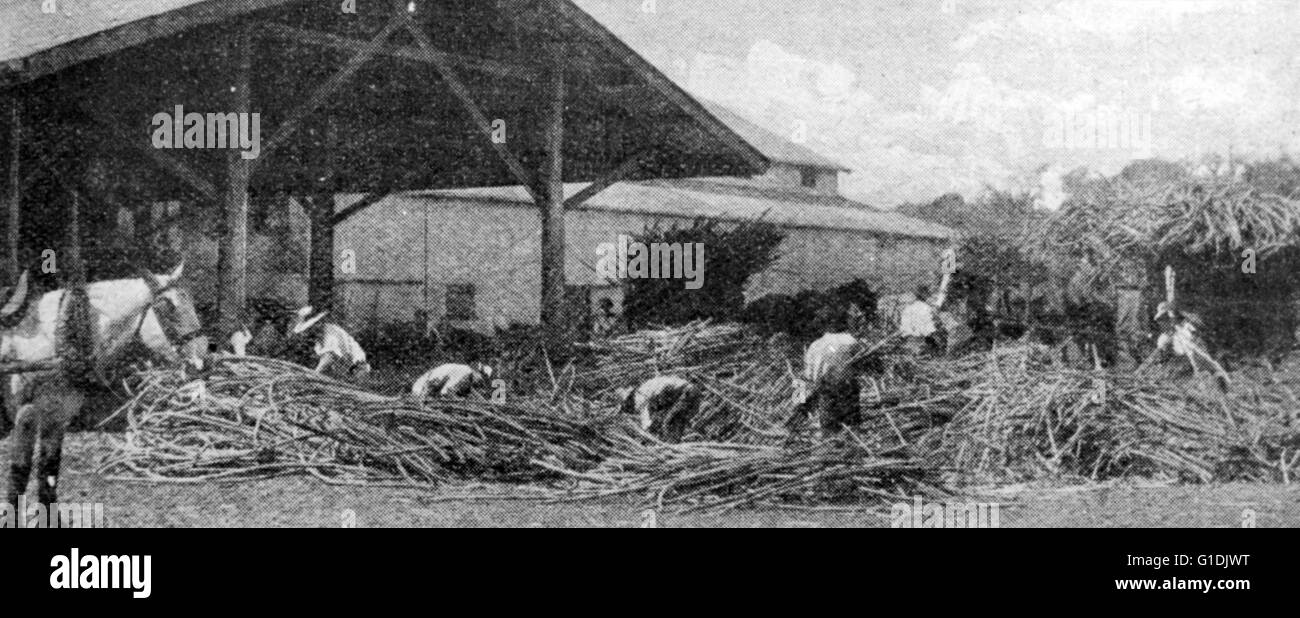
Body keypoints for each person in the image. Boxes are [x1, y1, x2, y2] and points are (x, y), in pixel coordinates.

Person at [900, 285, 938, 355]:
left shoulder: (907, 308)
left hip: (908, 341)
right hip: (920, 341)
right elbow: (929, 330)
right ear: (925, 296)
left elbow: (903, 329)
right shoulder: (926, 308)